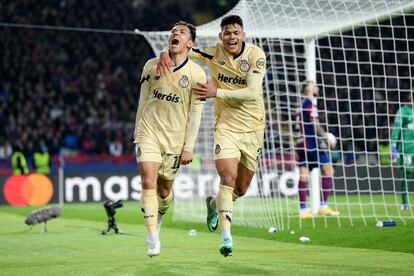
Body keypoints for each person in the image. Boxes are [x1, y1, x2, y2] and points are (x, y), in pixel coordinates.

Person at [157, 15, 266, 257]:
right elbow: (184, 49)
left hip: (253, 127)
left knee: (242, 187)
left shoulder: (255, 55)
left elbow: (252, 92)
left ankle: (213, 205)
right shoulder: (212, 53)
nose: (232, 36)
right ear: (221, 36)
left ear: (243, 35)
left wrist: (217, 92)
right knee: (227, 177)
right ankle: (226, 236)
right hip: (225, 126)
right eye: (227, 32)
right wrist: (165, 53)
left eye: (236, 32)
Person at [134, 21, 206, 257]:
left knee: (164, 192)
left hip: (174, 141)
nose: (175, 33)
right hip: (149, 133)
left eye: (182, 32)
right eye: (173, 31)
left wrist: (189, 147)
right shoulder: (151, 66)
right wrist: (137, 134)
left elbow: (196, 113)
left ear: (190, 43)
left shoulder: (196, 73)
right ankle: (152, 235)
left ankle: (159, 217)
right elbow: (143, 101)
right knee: (148, 181)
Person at [295, 80, 339, 219]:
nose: (317, 87)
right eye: (314, 85)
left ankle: (303, 210)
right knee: (328, 169)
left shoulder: (300, 106)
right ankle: (323, 206)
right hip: (311, 144)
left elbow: (296, 127)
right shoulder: (310, 104)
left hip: (301, 144)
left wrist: (295, 147)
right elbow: (314, 124)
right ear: (308, 90)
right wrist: (326, 136)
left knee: (303, 175)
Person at [391, 91, 414, 211]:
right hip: (407, 149)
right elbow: (396, 130)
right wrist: (393, 146)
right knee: (406, 175)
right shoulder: (403, 111)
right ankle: (405, 203)